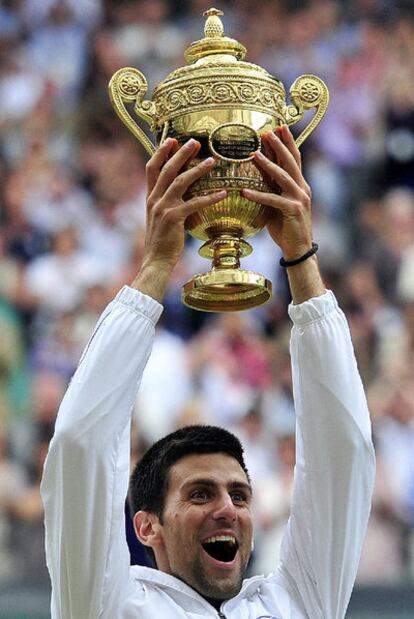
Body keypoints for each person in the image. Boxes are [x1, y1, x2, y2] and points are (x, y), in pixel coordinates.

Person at [40, 126, 376, 618]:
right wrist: (155, 267)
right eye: (200, 493)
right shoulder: (105, 605)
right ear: (146, 526)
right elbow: (79, 445)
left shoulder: (295, 603)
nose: (228, 509)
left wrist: (302, 261)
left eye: (239, 495)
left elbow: (344, 451)